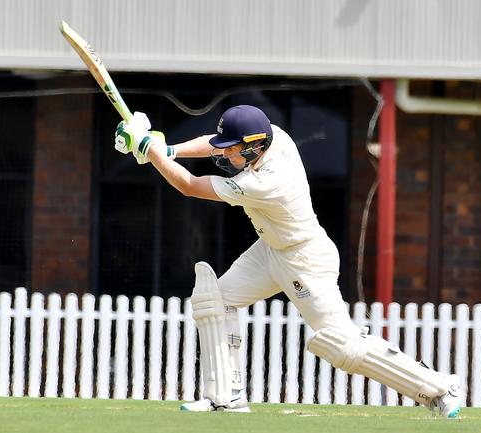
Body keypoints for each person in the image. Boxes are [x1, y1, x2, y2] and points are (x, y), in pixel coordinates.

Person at [114, 105, 462, 418]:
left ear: (253, 147)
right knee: (216, 300)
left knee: (343, 346)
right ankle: (226, 396)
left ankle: (439, 388)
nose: (226, 153)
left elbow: (189, 185)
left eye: (233, 149)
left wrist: (149, 149)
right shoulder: (273, 135)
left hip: (304, 259)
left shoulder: (262, 183)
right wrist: (168, 149)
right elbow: (215, 141)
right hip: (271, 249)